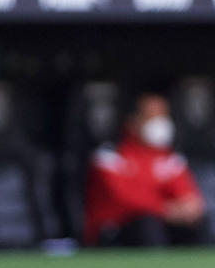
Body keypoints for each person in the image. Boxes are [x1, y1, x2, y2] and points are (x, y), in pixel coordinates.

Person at [83, 92, 206, 246]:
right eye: (151, 116)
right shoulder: (109, 156)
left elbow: (185, 191)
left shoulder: (169, 158)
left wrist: (190, 207)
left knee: (195, 224)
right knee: (147, 223)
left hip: (161, 223)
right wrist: (166, 209)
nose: (160, 123)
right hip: (114, 230)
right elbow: (125, 198)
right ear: (132, 122)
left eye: (163, 116)